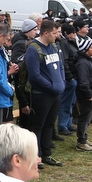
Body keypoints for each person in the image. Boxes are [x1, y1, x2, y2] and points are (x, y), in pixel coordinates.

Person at [23, 19, 65, 167]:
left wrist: (62, 82)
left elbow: (60, 67)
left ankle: (47, 154)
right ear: (46, 33)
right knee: (38, 126)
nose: (57, 35)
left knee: (49, 124)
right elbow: (35, 76)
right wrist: (51, 87)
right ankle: (36, 155)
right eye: (54, 33)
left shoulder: (54, 46)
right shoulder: (34, 49)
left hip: (56, 94)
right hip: (41, 95)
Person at [74, 37, 92, 153]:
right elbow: (83, 82)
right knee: (84, 118)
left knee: (87, 118)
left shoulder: (88, 60)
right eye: (91, 47)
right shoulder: (83, 63)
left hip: (91, 93)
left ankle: (84, 137)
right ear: (85, 50)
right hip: (86, 95)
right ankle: (81, 142)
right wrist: (89, 95)